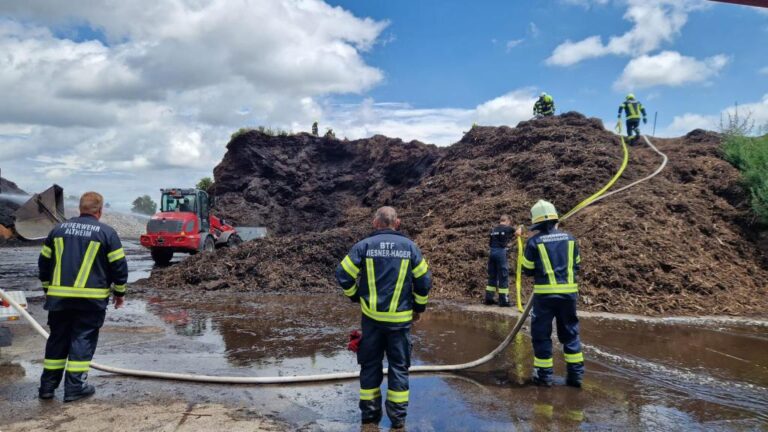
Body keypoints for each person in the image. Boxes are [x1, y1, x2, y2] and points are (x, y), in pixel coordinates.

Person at [336, 206, 432, 429]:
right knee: (399, 367)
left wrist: (356, 297)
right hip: (399, 322)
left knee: (370, 365)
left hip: (371, 321)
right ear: (397, 223)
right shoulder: (410, 248)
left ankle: (369, 416)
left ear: (374, 223)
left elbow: (343, 274)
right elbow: (424, 282)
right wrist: (418, 308)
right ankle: (398, 419)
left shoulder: (364, 246)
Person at [38, 191, 128, 402]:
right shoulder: (106, 233)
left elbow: (43, 264)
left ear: (80, 209)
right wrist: (120, 293)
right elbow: (119, 266)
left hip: (59, 299)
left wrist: (47, 290)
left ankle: (47, 388)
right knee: (82, 339)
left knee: (57, 339)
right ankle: (74, 388)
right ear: (100, 211)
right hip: (91, 300)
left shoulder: (57, 230)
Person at [516, 200, 584, 388]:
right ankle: (575, 376)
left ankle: (544, 376)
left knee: (541, 335)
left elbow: (528, 269)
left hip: (545, 297)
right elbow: (576, 264)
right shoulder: (571, 239)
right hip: (568, 296)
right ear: (555, 219)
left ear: (537, 222)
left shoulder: (534, 242)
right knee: (570, 334)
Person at [485, 215, 514, 307]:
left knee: (492, 275)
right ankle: (503, 301)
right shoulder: (508, 228)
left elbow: (490, 243)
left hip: (492, 252)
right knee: (503, 275)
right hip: (500, 253)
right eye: (510, 222)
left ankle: (489, 299)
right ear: (508, 220)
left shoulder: (493, 230)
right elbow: (518, 232)